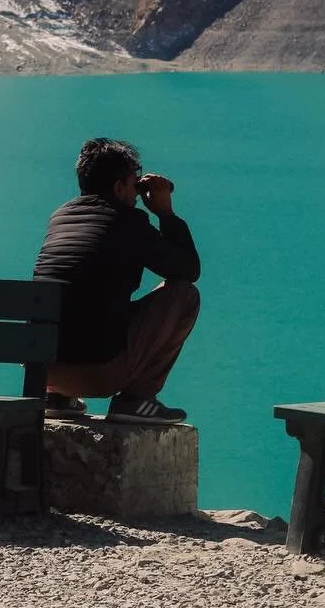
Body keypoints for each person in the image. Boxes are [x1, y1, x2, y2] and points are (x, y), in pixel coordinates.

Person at [32, 136, 200, 424]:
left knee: (82, 302)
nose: (137, 195)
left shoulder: (60, 217)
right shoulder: (127, 221)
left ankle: (57, 396)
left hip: (43, 370)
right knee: (185, 295)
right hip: (98, 373)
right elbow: (187, 270)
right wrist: (166, 214)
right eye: (135, 185)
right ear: (119, 187)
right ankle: (136, 399)